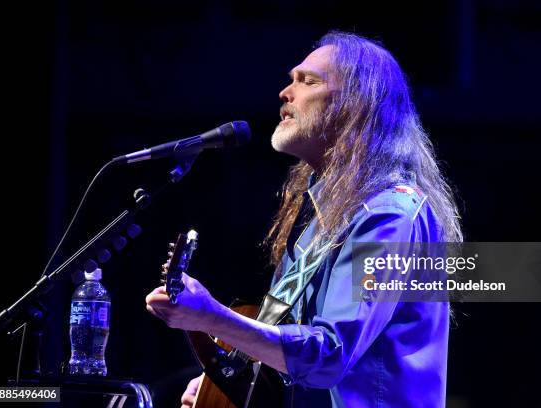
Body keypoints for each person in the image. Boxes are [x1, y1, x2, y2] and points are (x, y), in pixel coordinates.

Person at [146, 31, 462, 408]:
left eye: (307, 81)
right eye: (291, 78)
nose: (285, 92)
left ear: (355, 106)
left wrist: (212, 317)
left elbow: (331, 355)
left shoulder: (389, 217)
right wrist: (225, 378)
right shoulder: (323, 223)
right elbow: (296, 357)